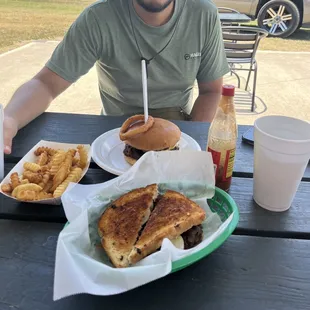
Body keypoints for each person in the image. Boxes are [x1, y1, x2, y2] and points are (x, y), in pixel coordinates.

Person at [3, 0, 229, 154]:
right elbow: (46, 84)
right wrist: (9, 120)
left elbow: (211, 91)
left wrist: (191, 141)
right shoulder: (99, 17)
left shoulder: (203, 13)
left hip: (178, 131)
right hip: (114, 137)